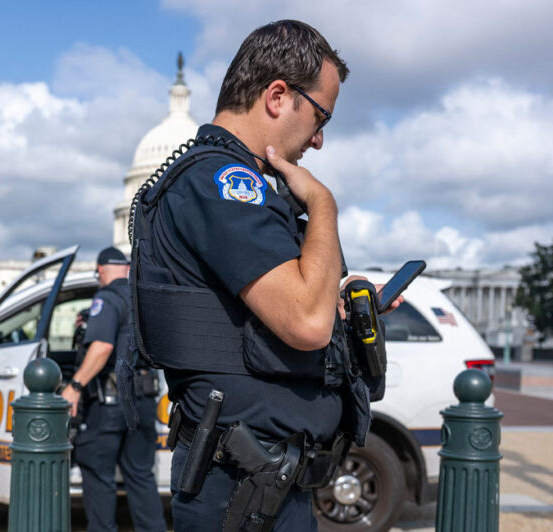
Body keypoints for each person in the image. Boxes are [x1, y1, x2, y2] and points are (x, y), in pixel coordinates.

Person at [130, 20, 394, 531]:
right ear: (278, 95)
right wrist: (322, 202)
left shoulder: (234, 184)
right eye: (321, 118)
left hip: (263, 482)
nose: (318, 141)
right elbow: (304, 323)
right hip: (243, 486)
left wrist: (339, 305)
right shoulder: (224, 183)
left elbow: (270, 319)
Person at [61, 246, 167, 532]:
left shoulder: (106, 298)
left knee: (97, 474)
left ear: (100, 271)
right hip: (143, 401)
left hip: (110, 405)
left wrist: (74, 386)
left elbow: (103, 347)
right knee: (140, 475)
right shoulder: (143, 299)